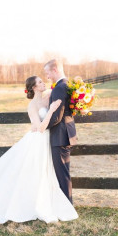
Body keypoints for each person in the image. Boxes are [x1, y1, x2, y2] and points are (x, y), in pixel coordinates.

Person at [0, 75, 78, 225]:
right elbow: (40, 128)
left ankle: (46, 201)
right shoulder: (32, 106)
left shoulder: (48, 96)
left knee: (47, 173)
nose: (44, 83)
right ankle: (26, 204)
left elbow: (62, 99)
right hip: (38, 140)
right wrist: (51, 110)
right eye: (40, 82)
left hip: (50, 139)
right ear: (34, 87)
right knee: (33, 172)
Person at [43, 59, 77, 204]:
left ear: (55, 70)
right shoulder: (68, 84)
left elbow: (56, 117)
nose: (47, 77)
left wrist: (42, 126)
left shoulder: (59, 88)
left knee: (62, 174)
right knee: (63, 172)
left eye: (48, 72)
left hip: (60, 135)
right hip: (67, 133)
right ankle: (64, 204)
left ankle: (67, 206)